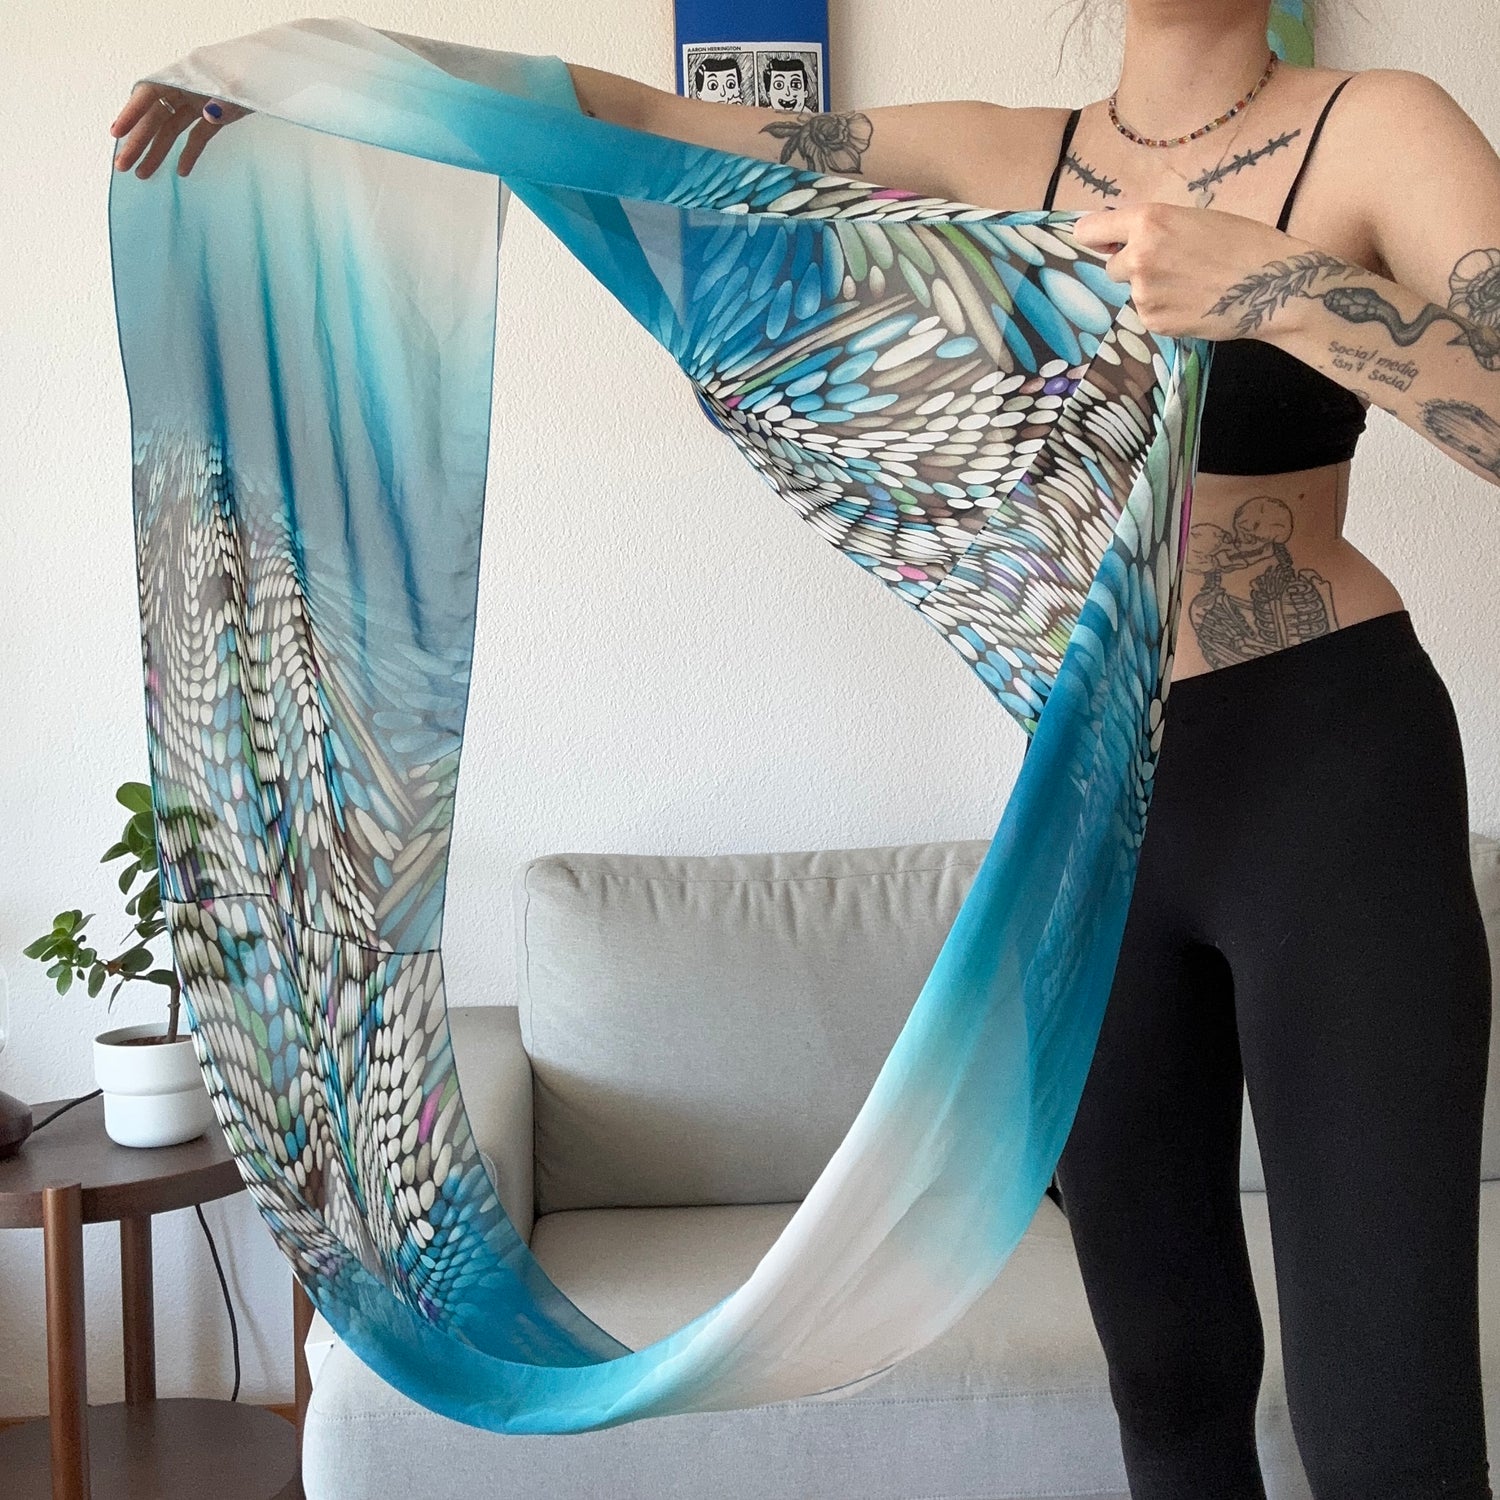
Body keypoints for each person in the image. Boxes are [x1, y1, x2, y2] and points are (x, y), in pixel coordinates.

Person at [109, 4, 1496, 1494]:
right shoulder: (1007, 158)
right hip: (1098, 804)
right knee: (1169, 1376)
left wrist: (1282, 285)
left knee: (1384, 1414)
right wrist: (327, 72)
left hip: (1336, 783)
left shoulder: (1382, 129)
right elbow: (658, 130)